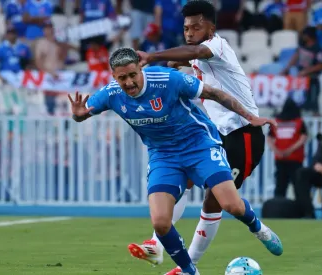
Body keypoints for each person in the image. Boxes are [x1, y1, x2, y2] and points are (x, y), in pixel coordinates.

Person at [69, 47, 283, 275]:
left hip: (199, 145)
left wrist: (251, 117)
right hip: (163, 156)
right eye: (122, 78)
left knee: (232, 205)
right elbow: (82, 114)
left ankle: (258, 228)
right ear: (114, 77)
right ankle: (190, 271)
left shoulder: (167, 79)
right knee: (160, 223)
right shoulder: (111, 94)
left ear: (141, 68)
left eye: (133, 75)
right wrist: (77, 115)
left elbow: (215, 94)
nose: (129, 82)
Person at [127, 1, 281, 274]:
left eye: (196, 27)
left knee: (217, 200)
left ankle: (255, 229)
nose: (189, 32)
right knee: (181, 179)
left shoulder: (218, 45)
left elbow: (195, 52)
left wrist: (153, 56)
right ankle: (158, 245)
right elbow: (187, 59)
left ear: (211, 28)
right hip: (214, 134)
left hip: (242, 133)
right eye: (186, 28)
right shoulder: (198, 55)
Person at [267, 98, 308, 198]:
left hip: (280, 158)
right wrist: (290, 150)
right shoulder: (299, 122)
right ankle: (301, 210)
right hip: (295, 158)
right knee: (298, 186)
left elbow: (269, 138)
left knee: (280, 185)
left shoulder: (276, 121)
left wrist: (277, 151)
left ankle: (277, 210)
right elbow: (303, 138)